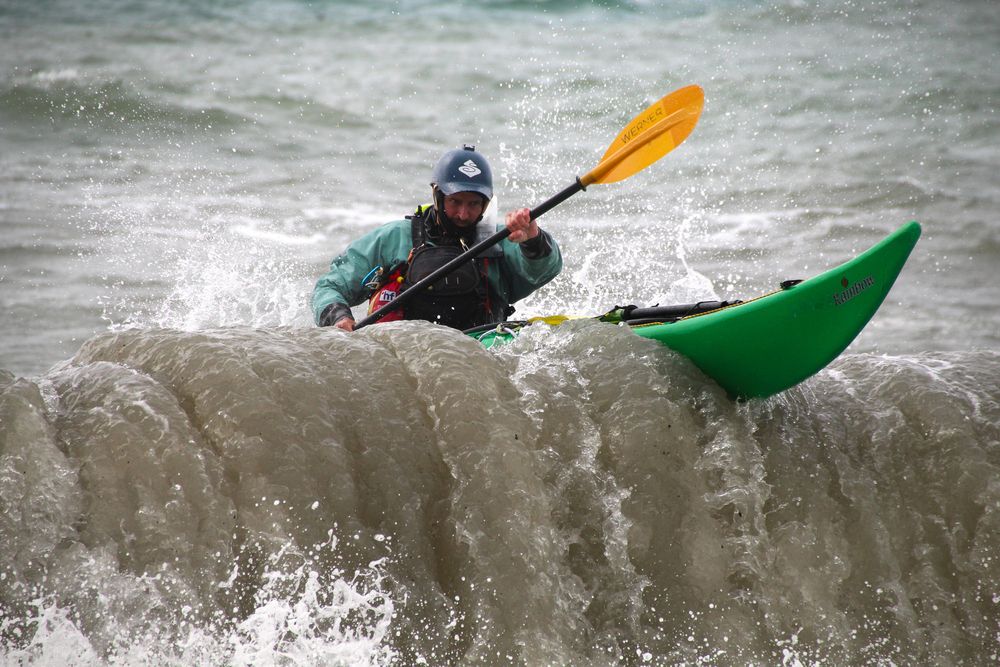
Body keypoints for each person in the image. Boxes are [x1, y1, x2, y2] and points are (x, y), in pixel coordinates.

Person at [312, 145, 562, 332]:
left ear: (486, 203)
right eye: (455, 201)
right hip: (402, 350)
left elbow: (544, 270)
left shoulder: (501, 242)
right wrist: (339, 318)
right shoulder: (396, 238)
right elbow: (329, 287)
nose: (463, 214)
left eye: (474, 204)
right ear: (437, 195)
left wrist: (533, 239)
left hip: (478, 349)